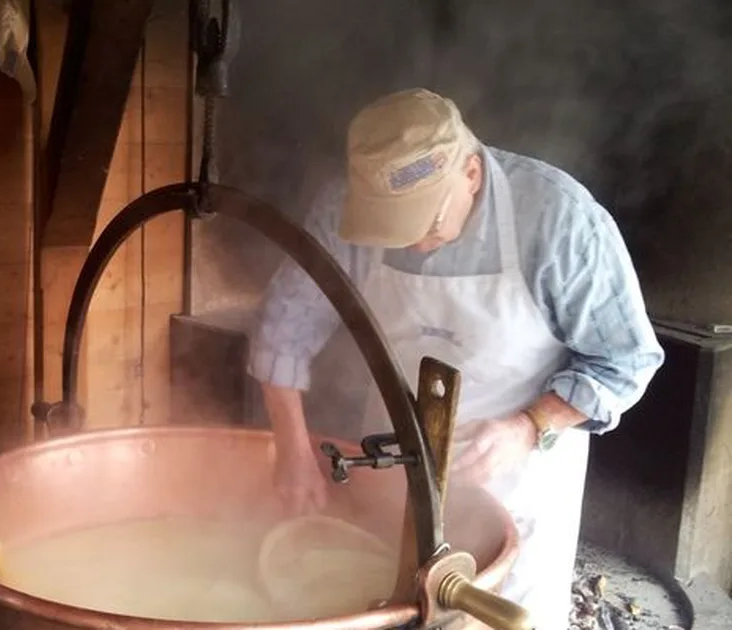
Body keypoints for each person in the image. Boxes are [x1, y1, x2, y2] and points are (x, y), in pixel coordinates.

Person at [249, 88, 665, 629]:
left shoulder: (560, 221)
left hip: (520, 483)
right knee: (391, 608)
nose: (416, 244)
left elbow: (624, 361)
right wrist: (292, 448)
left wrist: (529, 425)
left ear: (471, 173)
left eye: (427, 223)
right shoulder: (344, 209)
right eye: (395, 229)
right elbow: (285, 327)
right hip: (394, 466)